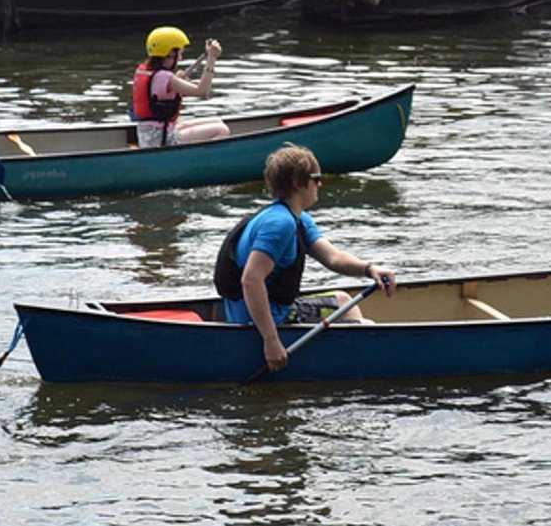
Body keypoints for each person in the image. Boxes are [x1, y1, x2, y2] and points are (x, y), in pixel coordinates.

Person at [219, 143, 397, 374]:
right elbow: (251, 280)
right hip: (264, 319)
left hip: (271, 309)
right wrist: (271, 341)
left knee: (342, 300)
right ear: (298, 183)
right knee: (365, 327)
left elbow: (333, 258)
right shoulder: (279, 224)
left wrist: (369, 269)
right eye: (317, 178)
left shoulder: (297, 219)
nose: (320, 184)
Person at [130, 26, 229, 149]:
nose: (180, 58)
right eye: (180, 53)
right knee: (221, 130)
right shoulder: (167, 78)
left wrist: (176, 80)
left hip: (151, 134)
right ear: (171, 53)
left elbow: (160, 90)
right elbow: (202, 92)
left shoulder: (145, 71)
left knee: (217, 121)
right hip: (161, 140)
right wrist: (211, 59)